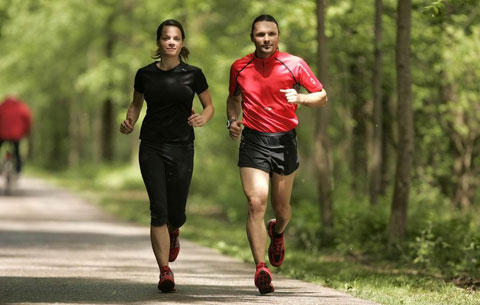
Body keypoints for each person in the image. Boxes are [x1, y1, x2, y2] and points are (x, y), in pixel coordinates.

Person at [226, 14, 328, 294]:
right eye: (260, 34)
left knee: (282, 210)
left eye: (271, 34)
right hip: (254, 141)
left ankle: (277, 232)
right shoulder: (239, 66)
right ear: (252, 37)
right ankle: (261, 268)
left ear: (278, 36)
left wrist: (302, 98)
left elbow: (321, 95)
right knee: (256, 203)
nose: (266, 39)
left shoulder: (294, 64)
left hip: (284, 142)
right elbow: (233, 98)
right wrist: (232, 120)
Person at [120, 19, 214, 293]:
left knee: (177, 213)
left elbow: (209, 106)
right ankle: (164, 271)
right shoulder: (145, 74)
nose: (171, 42)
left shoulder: (194, 74)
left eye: (176, 38)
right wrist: (129, 122)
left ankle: (175, 231)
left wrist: (203, 118)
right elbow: (136, 105)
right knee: (158, 210)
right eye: (166, 38)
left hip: (183, 146)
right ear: (159, 42)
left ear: (182, 43)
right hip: (151, 146)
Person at [0, 94, 33, 174]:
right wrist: (26, 133)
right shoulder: (22, 108)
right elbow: (28, 121)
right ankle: (18, 170)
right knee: (17, 151)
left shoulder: (2, 107)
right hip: (16, 135)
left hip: (2, 134)